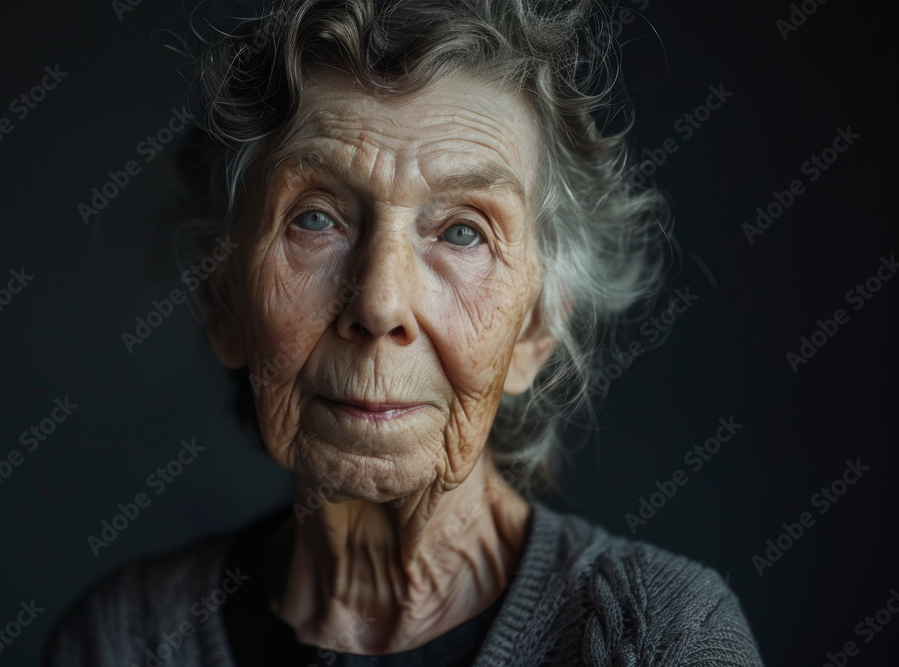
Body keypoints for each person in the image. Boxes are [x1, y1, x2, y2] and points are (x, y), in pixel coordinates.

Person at [45, 0, 764, 664]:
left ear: (536, 329)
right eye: (315, 218)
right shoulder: (123, 640)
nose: (382, 303)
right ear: (224, 300)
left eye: (462, 231)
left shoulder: (666, 639)